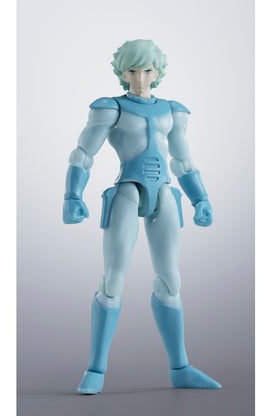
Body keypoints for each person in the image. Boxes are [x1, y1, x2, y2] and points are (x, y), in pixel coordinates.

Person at [63, 39, 221, 394]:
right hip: (127, 190)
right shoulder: (110, 108)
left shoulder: (172, 111)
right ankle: (95, 370)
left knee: (171, 280)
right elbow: (83, 153)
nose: (139, 78)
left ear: (157, 72)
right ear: (122, 73)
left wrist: (201, 199)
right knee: (113, 280)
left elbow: (183, 162)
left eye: (147, 70)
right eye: (131, 71)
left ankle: (180, 368)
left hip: (163, 192)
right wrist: (72, 195)